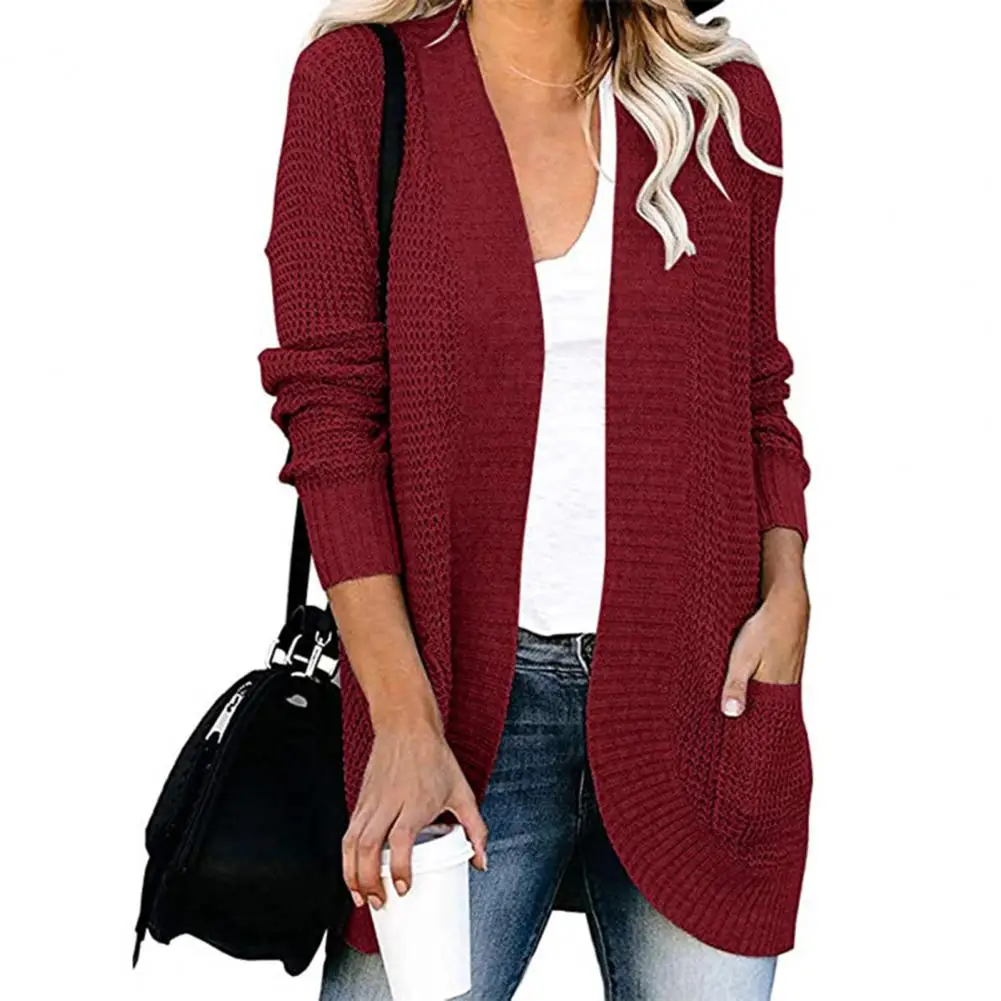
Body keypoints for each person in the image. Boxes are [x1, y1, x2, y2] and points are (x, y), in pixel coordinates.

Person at [259, 0, 813, 998]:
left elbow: (755, 385)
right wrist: (401, 716)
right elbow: (329, 419)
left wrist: (787, 584)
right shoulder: (359, 86)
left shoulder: (718, 100)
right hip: (449, 708)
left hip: (702, 695)